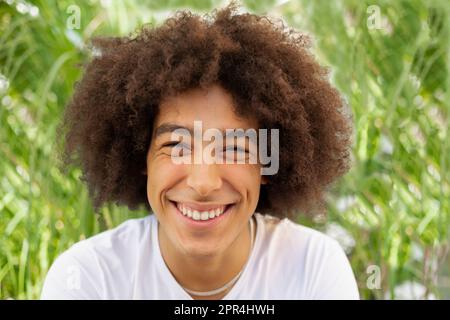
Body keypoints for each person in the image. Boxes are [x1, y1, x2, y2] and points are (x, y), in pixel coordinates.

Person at [41, 1, 358, 300]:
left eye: (234, 148)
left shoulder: (313, 271)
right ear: (141, 157)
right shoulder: (88, 280)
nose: (203, 183)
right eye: (176, 146)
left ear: (267, 164)